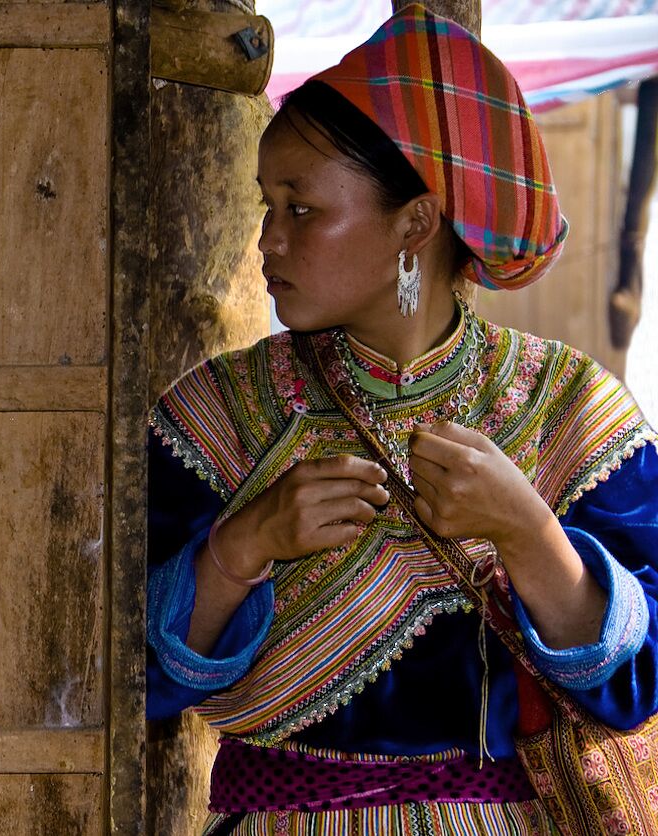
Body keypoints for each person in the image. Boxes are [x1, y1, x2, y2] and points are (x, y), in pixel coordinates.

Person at [146, 4, 658, 833]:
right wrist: (242, 547)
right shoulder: (215, 417)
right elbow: (130, 678)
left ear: (415, 223)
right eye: (266, 205)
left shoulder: (570, 411)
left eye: (301, 208)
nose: (267, 241)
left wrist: (529, 532)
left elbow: (639, 684)